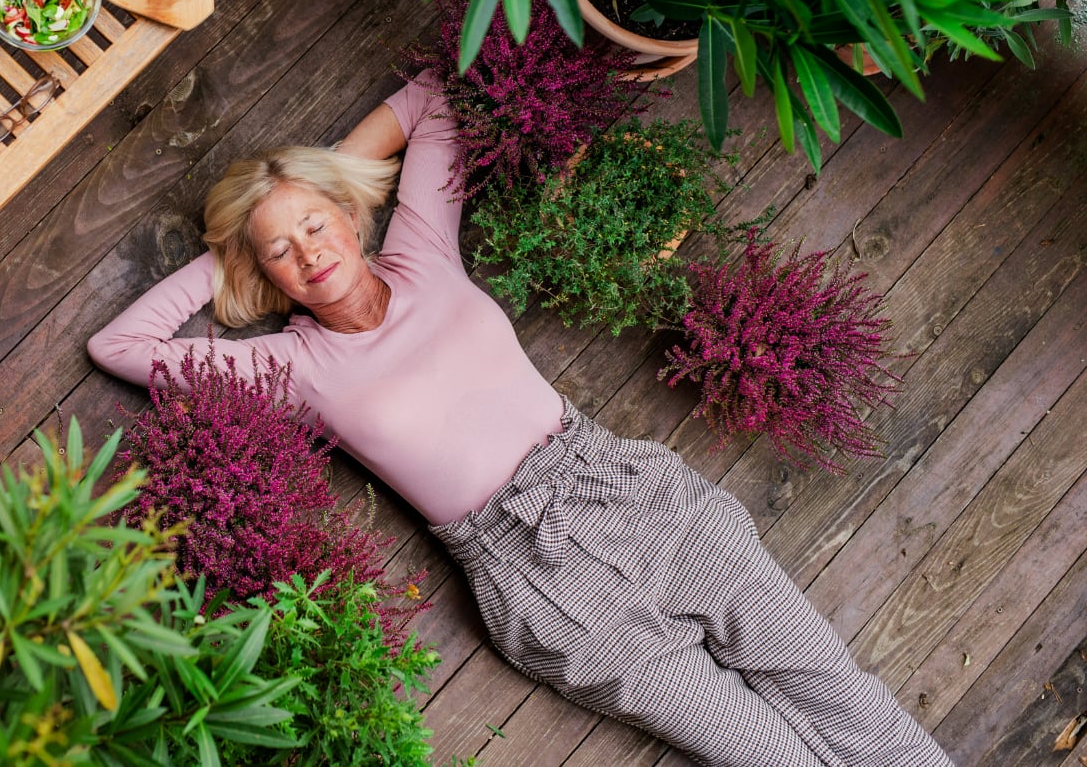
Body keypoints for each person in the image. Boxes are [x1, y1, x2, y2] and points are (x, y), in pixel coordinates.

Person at [87, 77, 954, 767]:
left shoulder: (422, 250)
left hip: (638, 500)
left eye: (317, 225)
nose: (309, 251)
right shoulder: (289, 368)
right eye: (281, 251)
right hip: (537, 579)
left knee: (845, 699)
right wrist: (236, 245)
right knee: (773, 761)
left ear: (350, 219)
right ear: (267, 276)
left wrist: (306, 183)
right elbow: (119, 344)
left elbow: (431, 98)